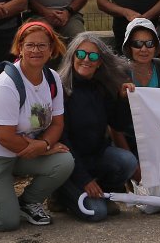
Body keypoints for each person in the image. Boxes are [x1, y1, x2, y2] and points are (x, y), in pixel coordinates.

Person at [0, 21, 75, 231]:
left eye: (42, 45)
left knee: (63, 161)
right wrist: (41, 150)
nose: (36, 50)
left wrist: (44, 144)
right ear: (20, 48)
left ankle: (28, 202)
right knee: (5, 221)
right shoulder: (7, 84)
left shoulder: (52, 78)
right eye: (30, 45)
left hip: (19, 150)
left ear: (51, 49)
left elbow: (57, 123)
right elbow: (4, 136)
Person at [53, 32, 138, 221]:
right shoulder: (60, 89)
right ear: (72, 57)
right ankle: (60, 193)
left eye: (93, 56)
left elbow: (118, 124)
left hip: (95, 157)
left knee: (127, 161)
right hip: (68, 163)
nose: (86, 60)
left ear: (100, 62)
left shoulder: (102, 87)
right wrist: (84, 180)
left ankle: (103, 192)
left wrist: (122, 100)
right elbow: (63, 140)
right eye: (80, 54)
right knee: (97, 213)